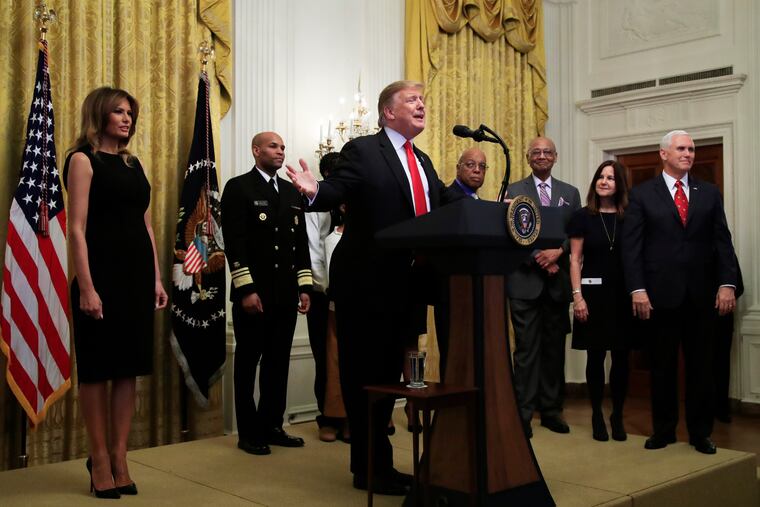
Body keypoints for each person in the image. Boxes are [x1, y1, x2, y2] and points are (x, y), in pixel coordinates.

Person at [286, 80, 462, 495]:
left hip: (407, 286)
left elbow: (442, 201)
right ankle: (368, 467)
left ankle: (377, 465)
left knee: (389, 381)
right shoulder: (365, 150)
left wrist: (489, 209)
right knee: (364, 377)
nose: (422, 105)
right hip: (366, 283)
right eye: (412, 100)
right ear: (387, 112)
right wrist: (315, 191)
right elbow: (337, 188)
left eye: (423, 100)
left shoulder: (422, 159)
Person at [65, 87, 168, 498]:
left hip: (136, 279)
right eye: (118, 112)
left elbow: (145, 227)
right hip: (100, 277)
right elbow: (76, 228)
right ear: (100, 115)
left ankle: (121, 456)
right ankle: (100, 459)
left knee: (127, 369)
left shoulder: (133, 163)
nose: (126, 118)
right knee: (96, 371)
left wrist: (157, 280)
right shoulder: (82, 160)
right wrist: (86, 287)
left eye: (130, 113)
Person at [621, 129, 738, 455]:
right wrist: (638, 289)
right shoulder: (643, 194)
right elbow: (632, 249)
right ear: (664, 154)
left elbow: (722, 242)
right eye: (681, 148)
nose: (688, 154)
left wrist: (727, 283)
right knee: (662, 366)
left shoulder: (709, 192)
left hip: (702, 298)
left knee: (702, 367)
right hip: (659, 297)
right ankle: (664, 430)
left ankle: (701, 433)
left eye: (691, 149)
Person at [221, 131, 313, 456]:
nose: (280, 151)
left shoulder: (290, 192)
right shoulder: (239, 187)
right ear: (256, 149)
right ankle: (248, 432)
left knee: (277, 363)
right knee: (248, 362)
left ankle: (272, 424)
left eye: (283, 147)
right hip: (254, 295)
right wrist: (246, 289)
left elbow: (299, 243)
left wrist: (304, 286)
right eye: (273, 146)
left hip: (285, 295)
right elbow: (235, 242)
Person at [505, 136, 581, 438]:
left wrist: (558, 253)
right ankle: (522, 414)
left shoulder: (570, 194)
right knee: (526, 352)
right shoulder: (513, 191)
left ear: (555, 157)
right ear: (528, 158)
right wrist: (538, 256)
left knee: (553, 351)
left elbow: (575, 233)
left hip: (557, 284)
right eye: (536, 152)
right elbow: (510, 230)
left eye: (547, 151)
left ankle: (551, 411)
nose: (541, 156)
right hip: (524, 282)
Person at [568, 160, 632, 442]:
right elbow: (574, 259)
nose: (604, 181)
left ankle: (617, 415)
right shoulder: (583, 216)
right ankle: (596, 414)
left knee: (621, 358)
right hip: (591, 295)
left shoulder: (630, 216)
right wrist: (577, 297)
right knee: (595, 357)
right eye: (601, 177)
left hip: (623, 296)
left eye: (611, 178)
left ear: (620, 185)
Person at [305, 151, 342, 442]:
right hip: (321, 294)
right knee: (323, 358)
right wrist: (318, 288)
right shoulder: (311, 205)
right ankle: (326, 417)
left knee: (351, 358)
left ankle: (351, 416)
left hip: (351, 294)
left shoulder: (350, 204)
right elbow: (313, 252)